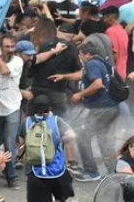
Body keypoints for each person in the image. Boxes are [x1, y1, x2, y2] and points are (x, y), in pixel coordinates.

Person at [50, 42, 119, 180]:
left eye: (81, 54)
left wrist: (80, 95)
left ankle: (91, 171)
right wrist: (64, 77)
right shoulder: (101, 62)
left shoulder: (91, 64)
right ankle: (114, 171)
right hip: (110, 107)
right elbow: (81, 75)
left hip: (101, 108)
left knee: (82, 134)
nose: (80, 57)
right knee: (103, 138)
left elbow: (97, 84)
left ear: (87, 54)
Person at [24, 96, 76, 202]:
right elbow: (72, 135)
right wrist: (62, 138)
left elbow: (21, 140)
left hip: (37, 171)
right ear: (49, 108)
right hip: (57, 169)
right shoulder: (57, 120)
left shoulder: (26, 122)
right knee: (61, 200)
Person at [0, 37, 24, 189]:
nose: (10, 49)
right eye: (6, 46)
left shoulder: (17, 61)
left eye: (12, 46)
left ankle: (11, 176)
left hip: (12, 108)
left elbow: (4, 70)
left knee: (9, 144)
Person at [101, 6, 130, 79]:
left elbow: (114, 54)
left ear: (110, 18)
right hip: (123, 71)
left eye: (105, 18)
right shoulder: (123, 31)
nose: (104, 20)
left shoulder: (110, 32)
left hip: (114, 73)